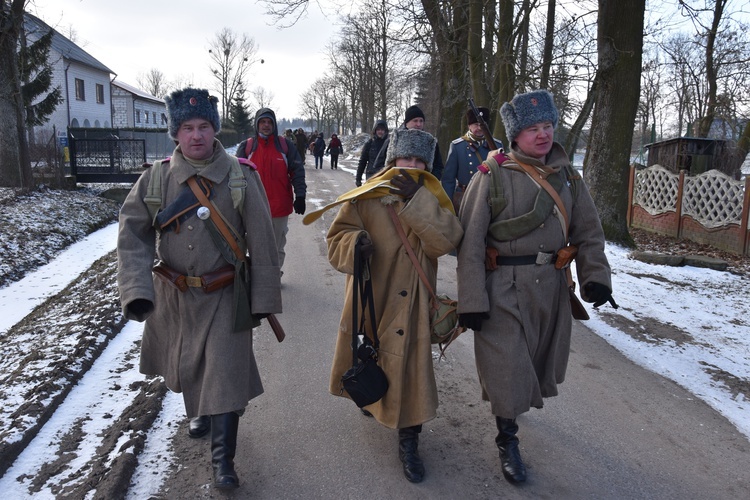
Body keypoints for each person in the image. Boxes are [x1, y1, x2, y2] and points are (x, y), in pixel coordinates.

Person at [117, 88, 282, 490]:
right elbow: (132, 234)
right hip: (175, 296)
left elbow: (262, 241)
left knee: (224, 375)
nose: (196, 135)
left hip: (226, 293)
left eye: (204, 126)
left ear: (215, 129)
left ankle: (223, 463)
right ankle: (199, 410)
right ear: (175, 133)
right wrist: (137, 290)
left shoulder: (241, 174)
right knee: (189, 365)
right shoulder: (155, 178)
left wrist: (263, 300)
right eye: (187, 127)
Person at [455, 89, 617, 484]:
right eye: (532, 129)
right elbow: (471, 243)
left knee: (535, 364)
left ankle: (511, 417)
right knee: (507, 366)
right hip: (503, 289)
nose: (543, 135)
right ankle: (507, 437)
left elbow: (589, 233)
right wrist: (472, 300)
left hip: (550, 289)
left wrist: (595, 276)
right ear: (515, 135)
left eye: (547, 126)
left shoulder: (569, 178)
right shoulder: (492, 174)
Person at [327, 128, 463, 483]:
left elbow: (445, 242)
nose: (413, 166)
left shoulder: (433, 197)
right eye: (407, 159)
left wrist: (419, 201)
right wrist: (355, 244)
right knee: (371, 359)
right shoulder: (366, 196)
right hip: (373, 296)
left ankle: (409, 441)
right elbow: (336, 240)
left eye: (420, 161)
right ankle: (371, 399)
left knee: (410, 372)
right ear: (392, 160)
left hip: (414, 301)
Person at [236, 108, 307, 272]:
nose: (266, 125)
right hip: (252, 207)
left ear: (274, 125)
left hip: (279, 206)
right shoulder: (247, 147)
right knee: (252, 246)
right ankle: (254, 278)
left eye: (269, 122)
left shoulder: (284, 146)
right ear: (257, 124)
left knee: (276, 247)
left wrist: (301, 195)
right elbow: (234, 176)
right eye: (262, 122)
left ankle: (273, 278)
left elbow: (297, 171)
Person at [441, 106, 504, 212]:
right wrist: (448, 204)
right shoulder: (457, 146)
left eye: (482, 125)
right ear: (469, 125)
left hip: (490, 197)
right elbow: (448, 179)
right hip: (464, 197)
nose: (479, 128)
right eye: (476, 124)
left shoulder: (497, 145)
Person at [372, 105, 445, 180]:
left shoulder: (430, 142)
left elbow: (438, 166)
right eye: (415, 120)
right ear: (406, 123)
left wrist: (428, 181)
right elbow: (379, 165)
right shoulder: (394, 139)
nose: (418, 124)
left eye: (421, 121)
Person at [355, 120, 388, 186]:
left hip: (385, 175)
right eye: (378, 129)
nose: (380, 131)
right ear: (375, 131)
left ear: (385, 131)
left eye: (382, 129)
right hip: (371, 175)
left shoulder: (390, 144)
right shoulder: (369, 144)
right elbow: (362, 162)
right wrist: (358, 178)